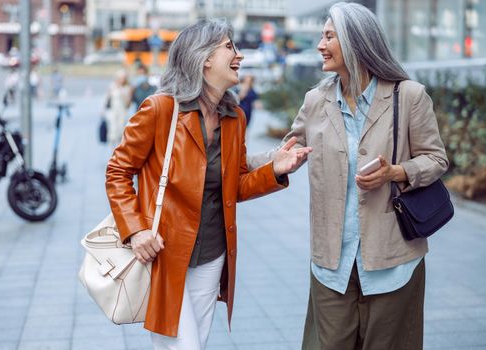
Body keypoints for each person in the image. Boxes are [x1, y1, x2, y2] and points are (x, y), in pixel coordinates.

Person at [247, 3, 449, 349]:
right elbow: (283, 151)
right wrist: (226, 159)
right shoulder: (316, 100)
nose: (320, 45)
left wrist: (396, 172)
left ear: (356, 41)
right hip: (332, 263)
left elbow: (436, 159)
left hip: (393, 261)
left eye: (328, 36)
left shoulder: (408, 96)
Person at [105, 19, 311, 350]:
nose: (239, 56)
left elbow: (236, 184)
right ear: (203, 58)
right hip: (164, 252)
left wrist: (276, 169)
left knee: (194, 344)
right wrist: (136, 229)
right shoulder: (160, 109)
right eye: (229, 46)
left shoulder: (234, 117)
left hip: (213, 252)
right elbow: (117, 171)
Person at [104, 69, 132, 145]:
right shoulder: (112, 86)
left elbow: (128, 104)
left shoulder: (127, 88)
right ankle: (112, 152)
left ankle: (119, 151)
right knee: (112, 132)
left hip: (122, 113)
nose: (121, 80)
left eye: (123, 78)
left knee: (121, 132)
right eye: (120, 78)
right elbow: (107, 100)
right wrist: (103, 111)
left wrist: (121, 91)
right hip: (112, 112)